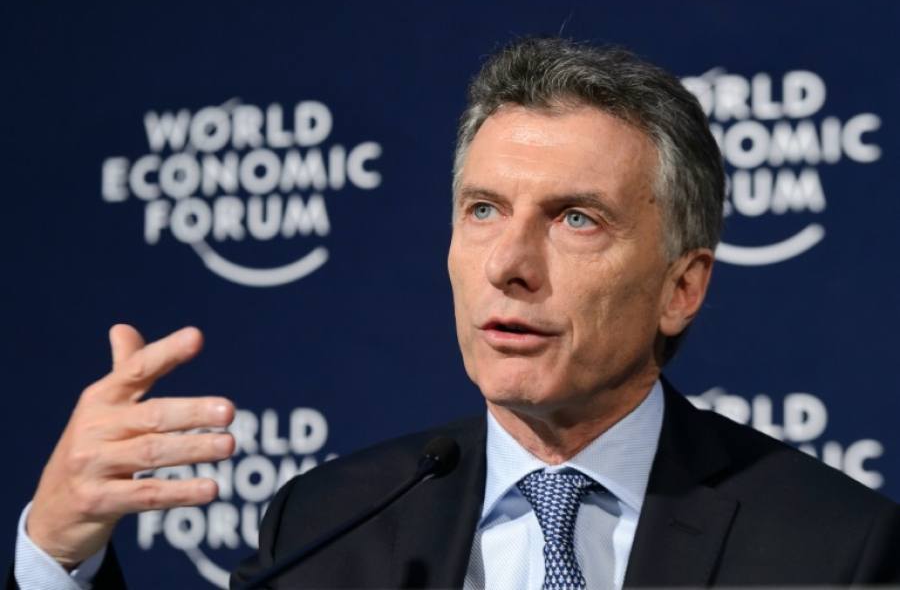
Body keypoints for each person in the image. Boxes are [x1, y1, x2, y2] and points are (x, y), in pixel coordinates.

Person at [12, 37, 900, 590]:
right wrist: (56, 554)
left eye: (576, 219)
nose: (508, 265)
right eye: (483, 210)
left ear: (682, 287)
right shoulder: (325, 529)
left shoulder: (833, 550)